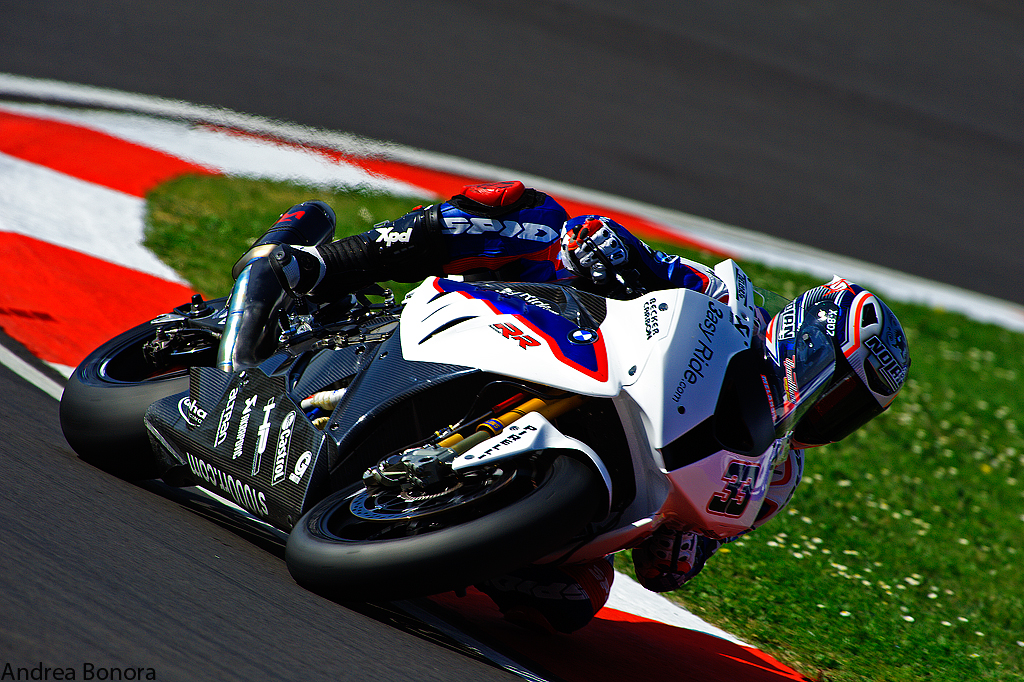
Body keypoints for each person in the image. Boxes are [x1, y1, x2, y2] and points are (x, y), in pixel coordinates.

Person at [242, 181, 910, 633]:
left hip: (595, 451)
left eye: (849, 412)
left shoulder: (772, 477)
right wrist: (612, 253)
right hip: (537, 333)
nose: (829, 413)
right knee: (527, 215)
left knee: (571, 600)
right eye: (837, 390)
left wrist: (683, 544)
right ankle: (318, 267)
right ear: (807, 337)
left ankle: (429, 516)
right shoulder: (723, 300)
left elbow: (669, 567)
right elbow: (606, 240)